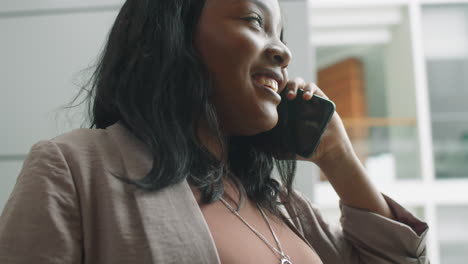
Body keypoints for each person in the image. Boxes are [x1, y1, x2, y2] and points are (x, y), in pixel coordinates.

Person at [0, 0, 429, 263]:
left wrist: (338, 159)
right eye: (253, 21)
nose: (283, 50)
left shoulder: (280, 205)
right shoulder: (77, 169)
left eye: (278, 32)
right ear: (176, 35)